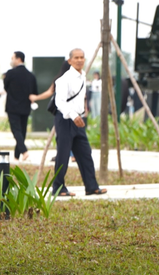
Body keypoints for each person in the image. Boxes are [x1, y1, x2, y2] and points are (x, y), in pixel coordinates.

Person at [51, 49, 107, 197]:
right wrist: (74, 115)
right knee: (63, 155)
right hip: (65, 120)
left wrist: (81, 114)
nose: (79, 60)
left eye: (82, 57)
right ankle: (58, 188)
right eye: (76, 57)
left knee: (85, 153)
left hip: (78, 120)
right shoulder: (64, 79)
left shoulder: (82, 76)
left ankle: (91, 187)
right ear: (70, 61)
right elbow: (60, 102)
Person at [3, 51, 38, 161]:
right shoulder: (31, 76)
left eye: (12, 58)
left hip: (13, 107)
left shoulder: (10, 74)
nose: (11, 60)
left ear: (18, 59)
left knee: (16, 130)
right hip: (25, 107)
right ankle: (16, 157)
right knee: (22, 131)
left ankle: (23, 151)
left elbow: (5, 87)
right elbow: (34, 92)